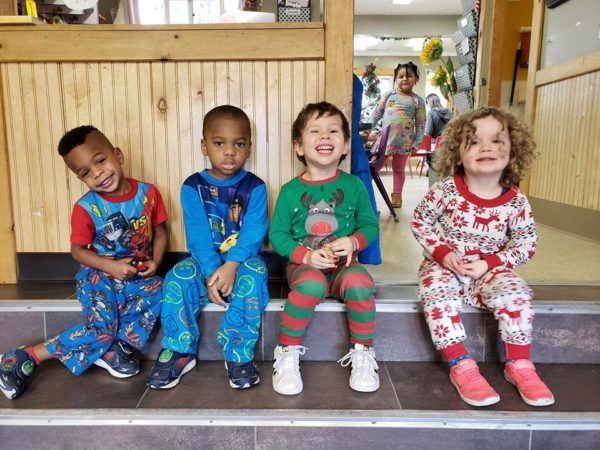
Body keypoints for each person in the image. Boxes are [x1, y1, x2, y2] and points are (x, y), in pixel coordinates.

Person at [0, 126, 167, 400]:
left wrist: (156, 260)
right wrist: (110, 266)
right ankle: (25, 356)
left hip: (135, 275)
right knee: (101, 327)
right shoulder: (85, 207)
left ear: (118, 155)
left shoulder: (148, 193)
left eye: (100, 161)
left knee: (161, 288)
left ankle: (115, 348)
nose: (97, 173)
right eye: (85, 172)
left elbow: (160, 231)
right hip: (99, 276)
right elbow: (78, 251)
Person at [411, 107, 555, 407]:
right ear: (458, 154)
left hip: (489, 269)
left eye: (496, 141)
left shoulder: (515, 201)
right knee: (436, 296)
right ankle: (461, 365)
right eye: (474, 142)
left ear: (512, 150)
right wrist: (442, 253)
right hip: (444, 266)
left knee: (516, 294)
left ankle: (520, 365)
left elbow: (526, 244)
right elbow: (421, 221)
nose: (486, 147)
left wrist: (491, 263)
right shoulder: (446, 190)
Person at [146, 105, 269, 390]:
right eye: (219, 143)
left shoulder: (255, 187)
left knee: (252, 279)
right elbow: (198, 236)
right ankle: (179, 350)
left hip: (243, 263)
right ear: (204, 146)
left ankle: (238, 354)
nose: (229, 152)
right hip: (205, 263)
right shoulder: (192, 186)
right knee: (177, 277)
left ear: (249, 148)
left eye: (238, 144)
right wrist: (215, 272)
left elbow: (253, 233)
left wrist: (232, 266)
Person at [270, 102, 379, 396]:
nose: (325, 137)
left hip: (344, 268)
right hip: (305, 267)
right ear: (299, 146)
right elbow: (277, 235)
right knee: (310, 285)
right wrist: (304, 256)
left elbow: (370, 226)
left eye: (333, 131)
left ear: (345, 145)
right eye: (315, 132)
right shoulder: (290, 190)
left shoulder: (354, 186)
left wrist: (354, 242)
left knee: (361, 283)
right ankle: (287, 351)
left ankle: (363, 352)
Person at [371, 61, 426, 208]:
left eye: (409, 76)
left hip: (405, 142)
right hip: (385, 140)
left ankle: (396, 196)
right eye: (401, 76)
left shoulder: (417, 100)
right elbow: (377, 113)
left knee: (399, 169)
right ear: (396, 79)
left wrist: (417, 142)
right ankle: (365, 193)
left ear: (416, 79)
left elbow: (421, 123)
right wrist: (369, 127)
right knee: (374, 167)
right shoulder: (389, 95)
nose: (405, 79)